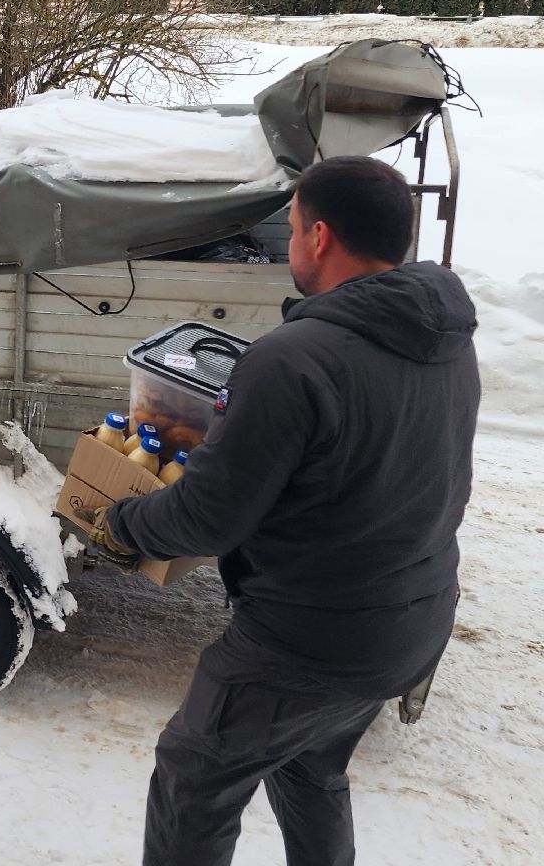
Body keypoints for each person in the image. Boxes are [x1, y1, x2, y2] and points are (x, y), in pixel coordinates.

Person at [84, 155, 480, 866]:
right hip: (411, 621)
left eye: (293, 228)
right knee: (309, 767)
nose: (292, 242)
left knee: (192, 782)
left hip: (306, 644)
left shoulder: (292, 358)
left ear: (319, 237)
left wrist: (120, 523)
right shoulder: (445, 339)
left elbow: (206, 519)